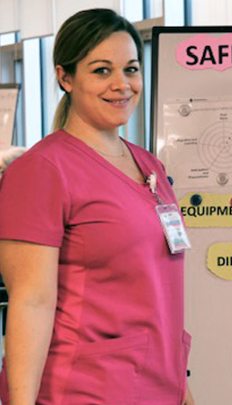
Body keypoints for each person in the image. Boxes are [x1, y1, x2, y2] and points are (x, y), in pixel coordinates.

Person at [0, 9, 195, 404]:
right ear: (65, 77)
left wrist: (183, 392)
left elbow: (157, 300)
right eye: (102, 71)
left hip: (157, 387)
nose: (122, 85)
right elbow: (31, 303)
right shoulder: (41, 171)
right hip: (84, 389)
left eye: (131, 69)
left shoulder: (150, 165)